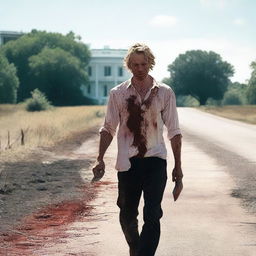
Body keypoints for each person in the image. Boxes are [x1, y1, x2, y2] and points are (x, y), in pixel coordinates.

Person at [92, 43, 183, 256]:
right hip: (128, 163)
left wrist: (178, 168)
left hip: (155, 161)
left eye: (143, 64)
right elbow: (108, 128)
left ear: (150, 63)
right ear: (129, 65)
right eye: (135, 64)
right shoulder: (118, 94)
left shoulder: (164, 92)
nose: (139, 68)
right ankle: (136, 247)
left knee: (152, 215)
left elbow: (174, 131)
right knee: (126, 215)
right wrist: (100, 158)